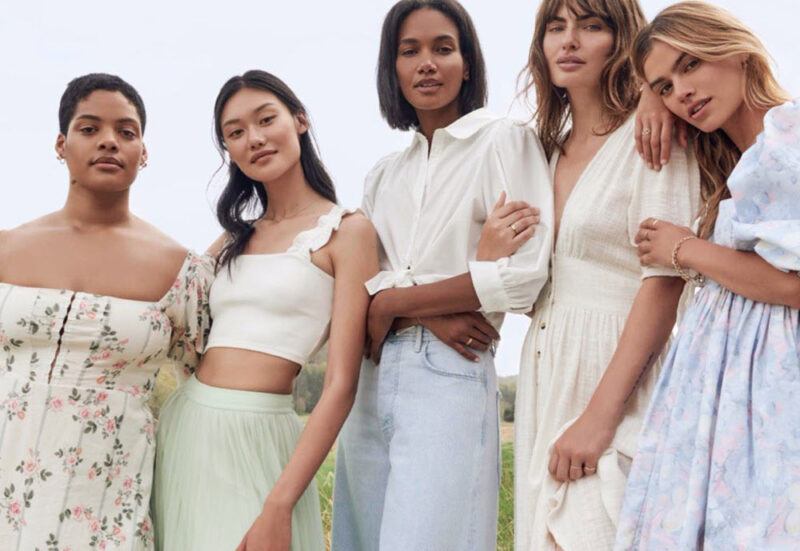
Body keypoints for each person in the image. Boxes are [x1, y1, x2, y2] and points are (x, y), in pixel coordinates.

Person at [331, 1, 552, 549]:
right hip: (371, 375)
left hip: (449, 370)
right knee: (360, 539)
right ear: (393, 68)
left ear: (468, 63)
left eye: (443, 48)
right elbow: (361, 289)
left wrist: (394, 304)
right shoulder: (384, 175)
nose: (427, 63)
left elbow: (526, 275)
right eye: (410, 51)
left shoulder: (504, 140)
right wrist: (415, 306)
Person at [152, 70, 378, 551]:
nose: (253, 139)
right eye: (235, 132)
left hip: (261, 438)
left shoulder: (347, 231)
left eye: (265, 119)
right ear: (228, 150)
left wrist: (279, 505)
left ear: (299, 120)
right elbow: (169, 309)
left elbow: (340, 385)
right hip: (187, 428)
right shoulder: (236, 236)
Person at [511, 1, 701, 549]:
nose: (568, 41)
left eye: (591, 26)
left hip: (619, 374)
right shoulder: (541, 152)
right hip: (548, 366)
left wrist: (599, 418)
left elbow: (664, 282)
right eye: (556, 27)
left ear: (622, 42)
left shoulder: (653, 138)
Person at [0, 73, 211, 550]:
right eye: (90, 128)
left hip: (108, 499)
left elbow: (199, 387)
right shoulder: (7, 247)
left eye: (127, 132)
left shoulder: (179, 269)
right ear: (61, 143)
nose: (110, 142)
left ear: (144, 152)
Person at [615, 2, 798, 548]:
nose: (682, 94)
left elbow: (792, 284)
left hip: (768, 392)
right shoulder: (743, 156)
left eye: (692, 65)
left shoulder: (787, 141)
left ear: (737, 51)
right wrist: (652, 91)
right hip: (726, 389)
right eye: (666, 86)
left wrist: (685, 249)